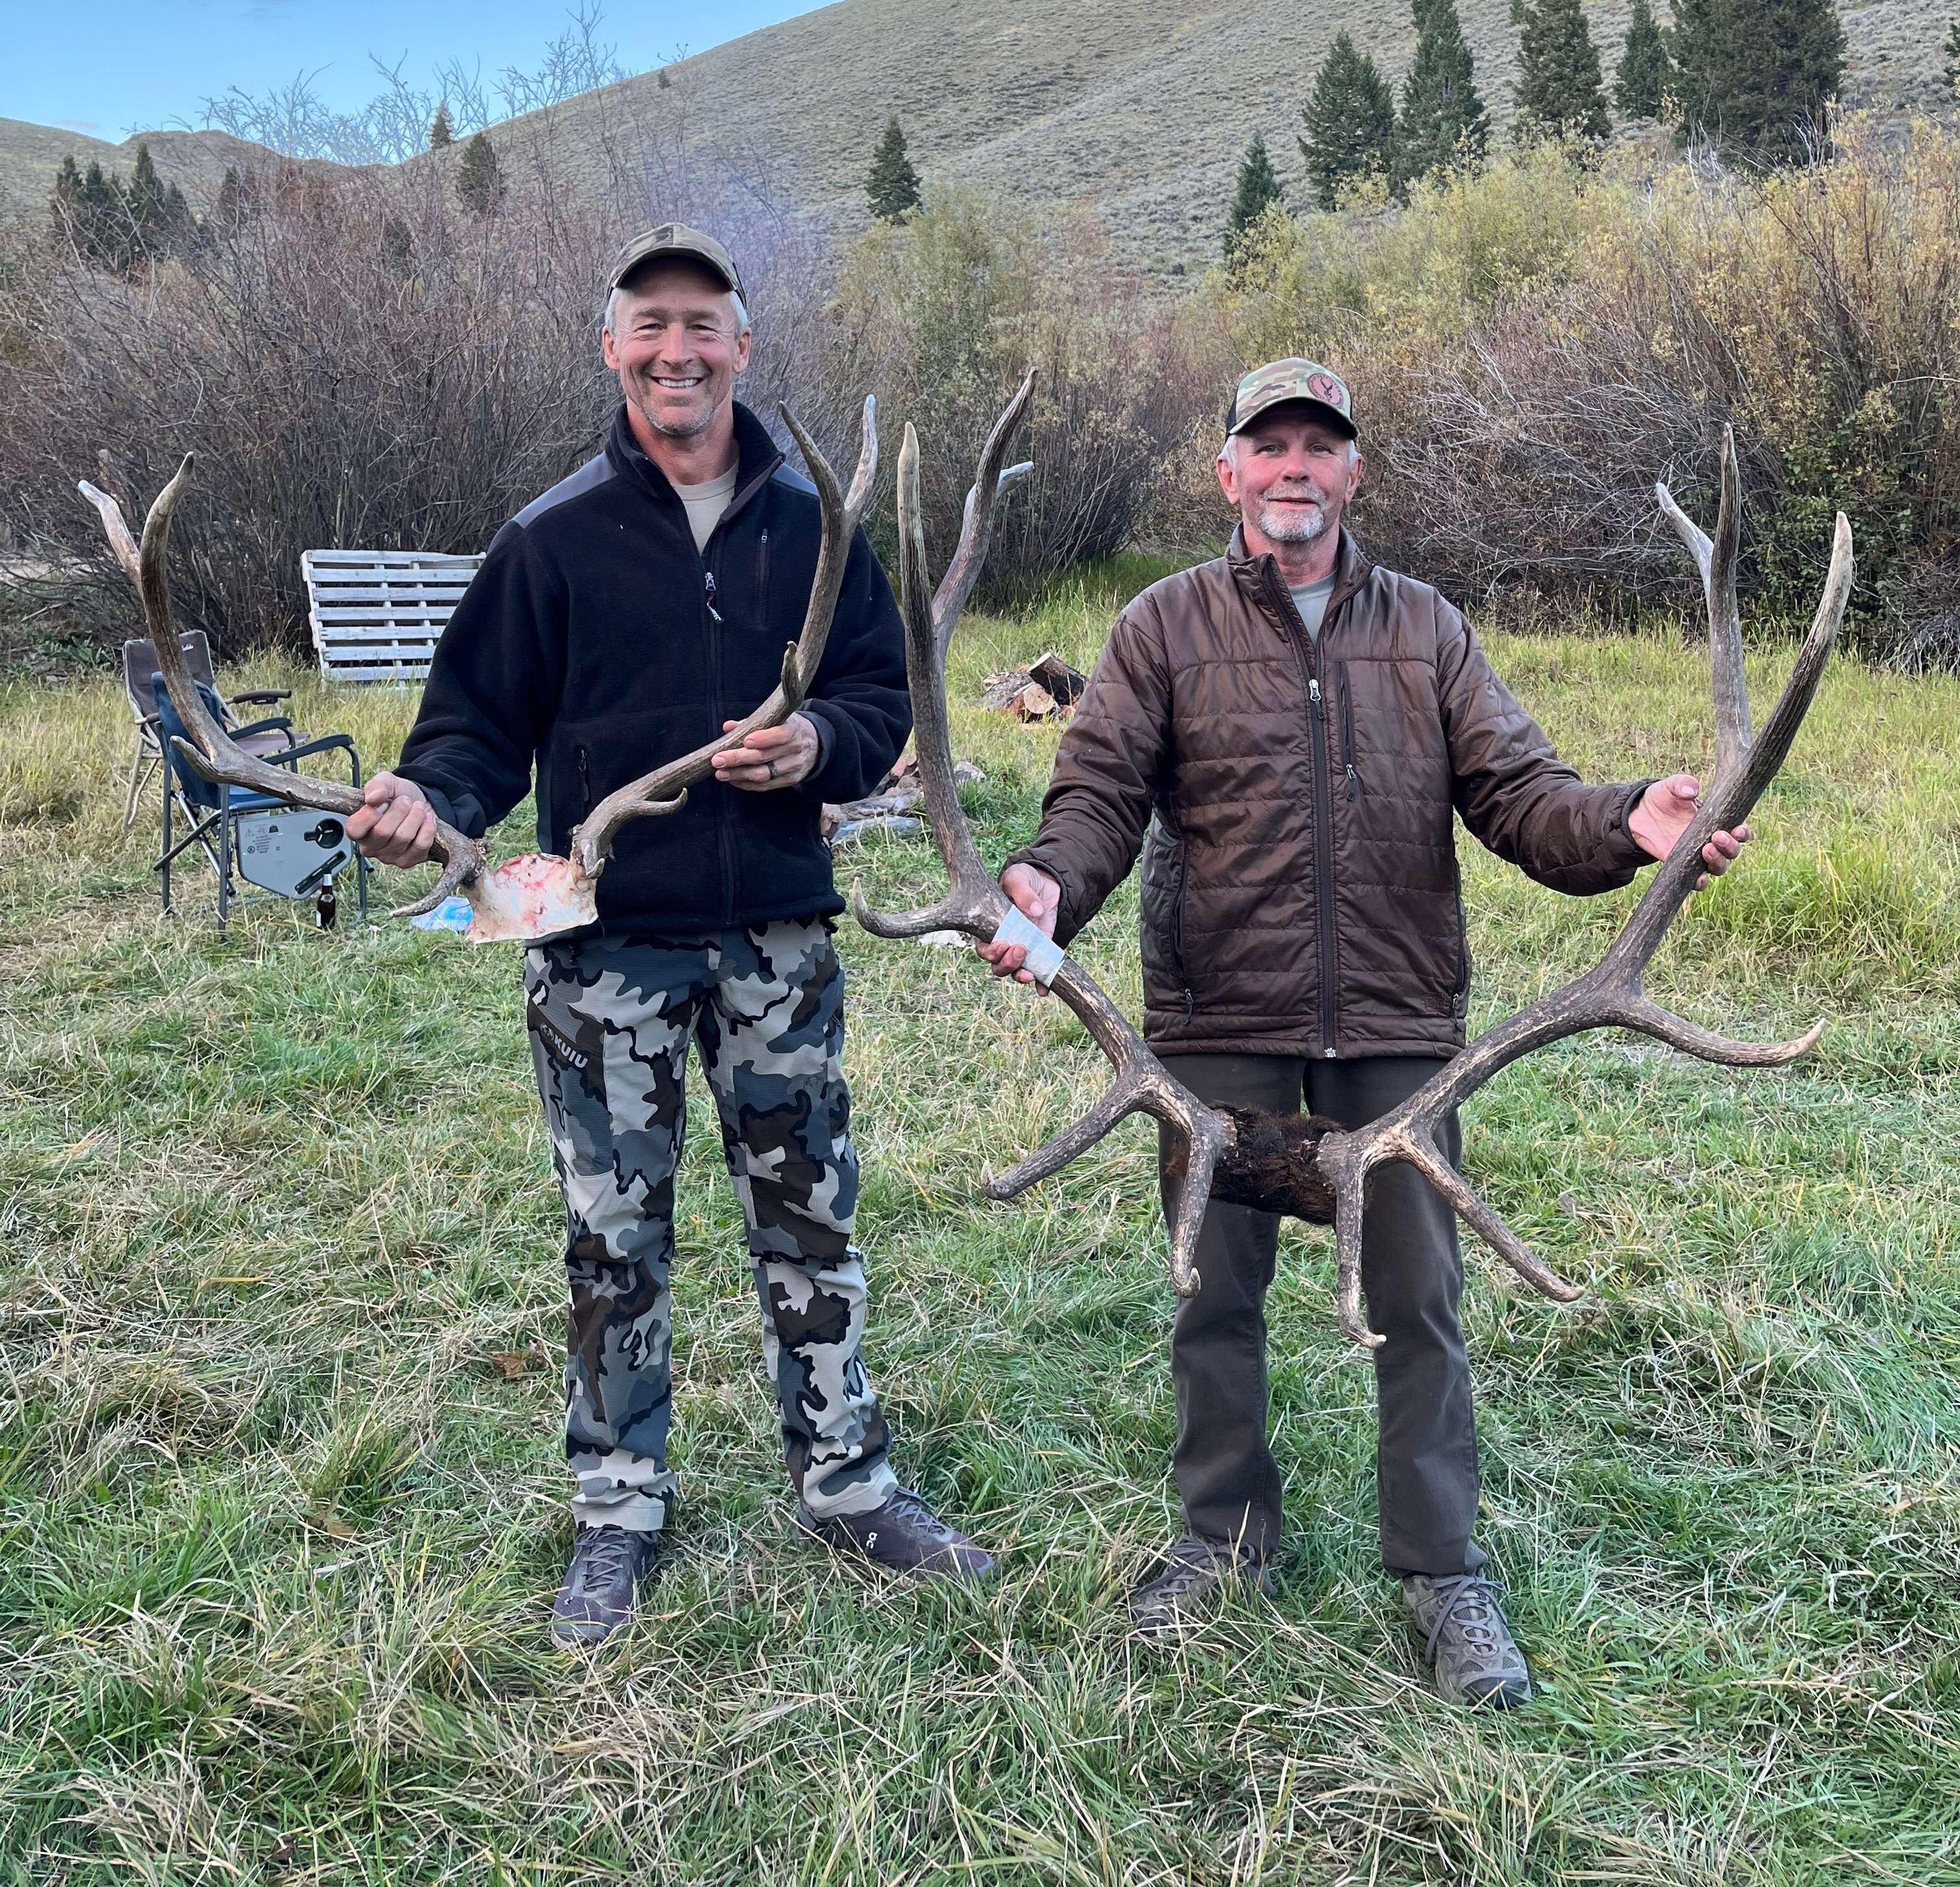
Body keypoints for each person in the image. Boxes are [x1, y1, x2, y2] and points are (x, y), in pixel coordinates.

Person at [981, 358, 1746, 1705]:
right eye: (1266, 446)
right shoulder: (1162, 628)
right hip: (1219, 1027)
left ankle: (1443, 1574)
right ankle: (1221, 1543)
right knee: (1214, 1301)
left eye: (1317, 447)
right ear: (1228, 473)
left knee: (1418, 1308)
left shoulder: (1427, 631)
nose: (1292, 468)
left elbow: (1519, 793)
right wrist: (1051, 878)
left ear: (1351, 472)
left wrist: (1626, 820)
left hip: (1393, 1031)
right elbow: (1097, 792)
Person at [347, 222, 994, 1647]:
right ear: (612, 348)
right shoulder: (554, 534)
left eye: (702, 324)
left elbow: (885, 702)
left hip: (776, 940)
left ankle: (846, 1482)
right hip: (602, 955)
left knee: (809, 1223)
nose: (676, 350)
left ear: (743, 347)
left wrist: (818, 741)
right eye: (649, 324)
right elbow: (470, 735)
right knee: (613, 1242)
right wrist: (422, 806)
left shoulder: (818, 528)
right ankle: (619, 1508)